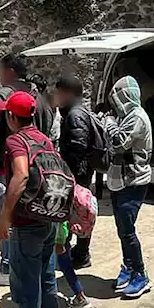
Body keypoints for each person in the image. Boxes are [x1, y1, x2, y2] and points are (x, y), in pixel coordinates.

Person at [0, 90, 60, 308]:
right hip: (48, 216)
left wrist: (4, 217)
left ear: (11, 116)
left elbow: (20, 176)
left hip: (27, 220)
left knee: (26, 278)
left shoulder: (15, 142)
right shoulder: (44, 140)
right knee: (45, 270)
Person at [0, 53, 52, 287]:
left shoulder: (2, 96)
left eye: (0, 70)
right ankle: (26, 262)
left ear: (9, 71)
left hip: (9, 168)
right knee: (31, 214)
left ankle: (6, 266)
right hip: (37, 166)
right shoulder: (39, 97)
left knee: (6, 215)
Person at [106, 76, 153, 300]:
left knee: (128, 230)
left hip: (134, 181)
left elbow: (117, 142)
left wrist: (108, 123)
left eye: (117, 98)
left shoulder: (137, 118)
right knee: (122, 229)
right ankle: (128, 266)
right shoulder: (125, 117)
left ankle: (141, 275)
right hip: (120, 180)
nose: (115, 103)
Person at [51, 73, 97, 269]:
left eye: (59, 93)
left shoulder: (75, 115)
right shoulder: (75, 112)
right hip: (78, 174)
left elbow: (78, 146)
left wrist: (68, 174)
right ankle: (76, 253)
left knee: (76, 213)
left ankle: (78, 255)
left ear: (67, 93)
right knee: (77, 213)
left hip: (76, 175)